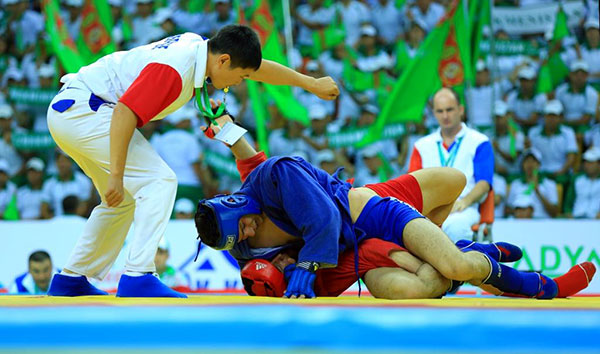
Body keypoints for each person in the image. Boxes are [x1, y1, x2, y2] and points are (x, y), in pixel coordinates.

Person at [46, 24, 339, 298]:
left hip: (72, 111)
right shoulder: (176, 69)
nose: (239, 83)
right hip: (89, 112)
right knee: (158, 181)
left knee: (121, 201)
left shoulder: (198, 48)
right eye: (240, 77)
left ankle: (71, 278)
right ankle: (138, 276)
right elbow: (125, 113)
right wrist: (116, 176)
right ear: (223, 61)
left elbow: (257, 69)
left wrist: (309, 83)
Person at [195, 108, 557, 300]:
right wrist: (287, 272)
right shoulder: (238, 244)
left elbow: (323, 220)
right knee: (420, 289)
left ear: (235, 202)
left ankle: (534, 284)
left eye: (242, 224)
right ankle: (459, 249)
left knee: (455, 263)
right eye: (238, 238)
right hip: (352, 254)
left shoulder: (276, 175)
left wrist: (304, 264)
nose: (247, 232)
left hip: (371, 213)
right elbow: (265, 277)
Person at [409, 88, 494, 241]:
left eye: (449, 110)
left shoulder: (479, 141)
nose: (445, 116)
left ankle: (458, 265)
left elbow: (484, 184)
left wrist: (465, 201)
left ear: (461, 110)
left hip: (464, 208)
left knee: (455, 227)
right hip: (429, 211)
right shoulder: (421, 145)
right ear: (434, 113)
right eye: (440, 111)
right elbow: (411, 185)